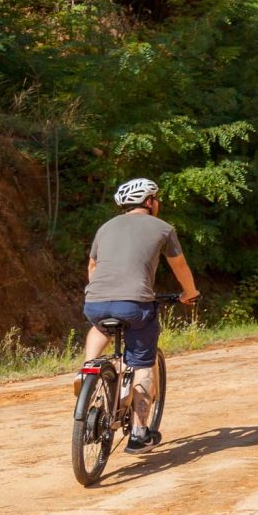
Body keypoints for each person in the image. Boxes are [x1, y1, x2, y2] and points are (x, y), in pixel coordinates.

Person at [83, 178, 199, 452]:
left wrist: (99, 292)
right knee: (143, 363)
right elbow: (179, 264)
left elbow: (93, 265)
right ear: (149, 202)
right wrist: (189, 293)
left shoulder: (106, 227)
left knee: (100, 326)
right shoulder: (162, 228)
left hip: (95, 301)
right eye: (156, 199)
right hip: (134, 304)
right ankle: (139, 434)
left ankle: (88, 371)